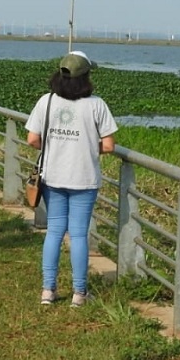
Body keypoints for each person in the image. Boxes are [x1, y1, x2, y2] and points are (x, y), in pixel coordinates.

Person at [25, 50, 118, 306]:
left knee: (54, 232)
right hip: (84, 178)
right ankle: (79, 293)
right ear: (86, 77)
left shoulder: (47, 101)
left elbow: (33, 139)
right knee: (78, 235)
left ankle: (48, 290)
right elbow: (109, 146)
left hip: (53, 176)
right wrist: (87, 145)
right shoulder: (97, 104)